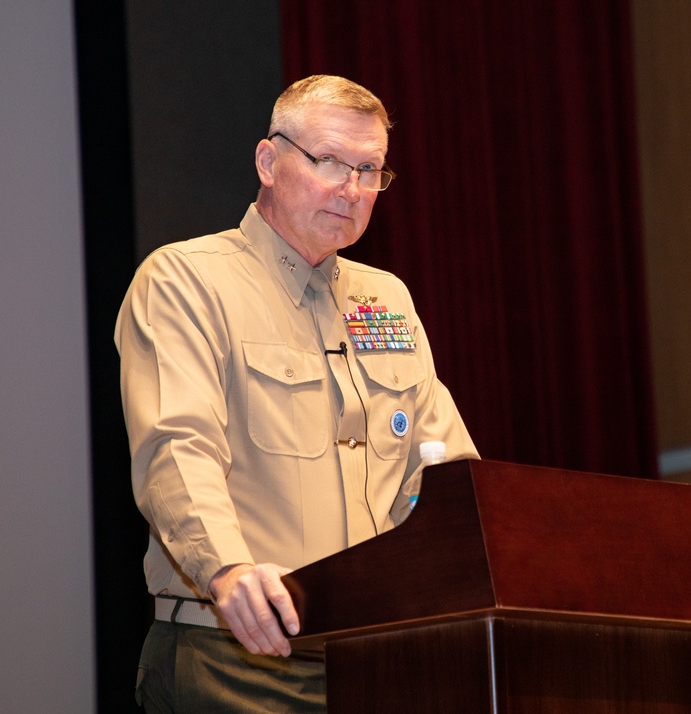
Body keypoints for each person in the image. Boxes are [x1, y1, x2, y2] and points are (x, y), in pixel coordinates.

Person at [116, 74, 479, 712]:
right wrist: (226, 570)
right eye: (330, 162)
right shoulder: (184, 280)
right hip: (234, 655)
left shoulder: (385, 299)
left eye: (370, 170)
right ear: (267, 160)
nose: (352, 189)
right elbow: (179, 446)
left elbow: (444, 469)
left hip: (377, 659)